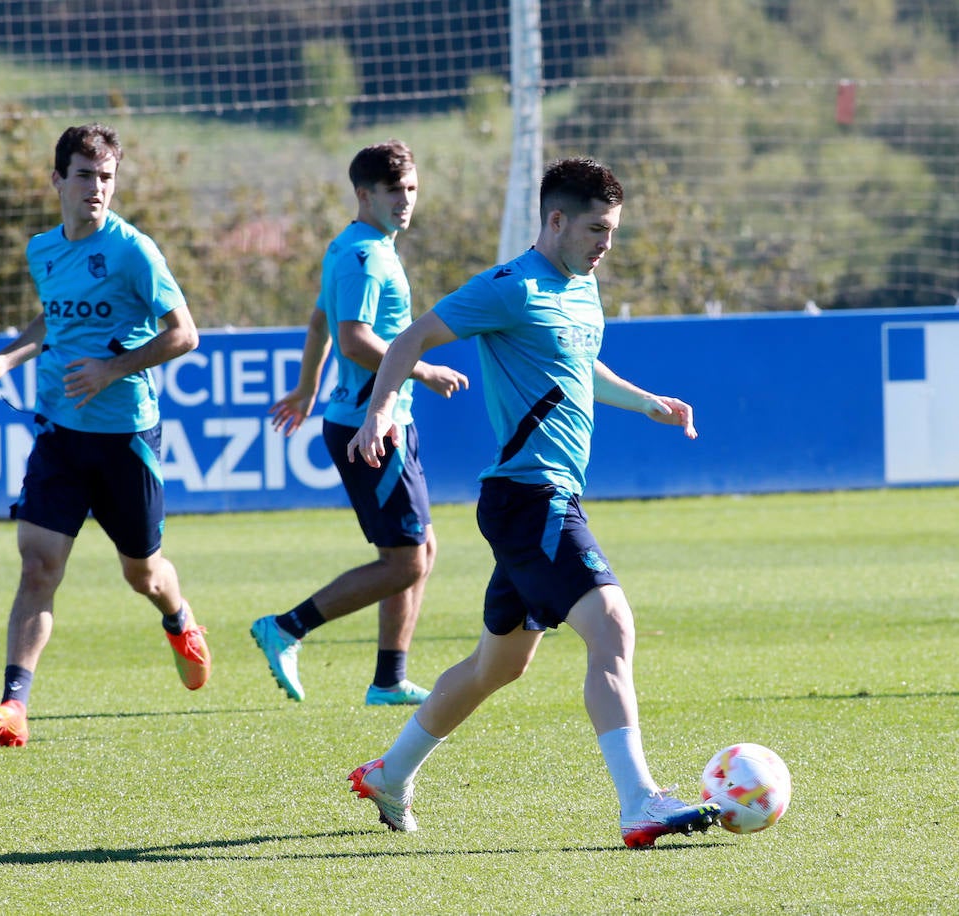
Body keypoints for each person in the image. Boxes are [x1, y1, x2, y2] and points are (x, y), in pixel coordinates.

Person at [343, 157, 720, 848]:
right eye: (596, 229)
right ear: (555, 220)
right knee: (611, 625)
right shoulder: (511, 287)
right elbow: (410, 338)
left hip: (547, 496)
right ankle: (639, 799)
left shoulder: (583, 286)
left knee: (499, 666)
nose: (606, 243)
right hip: (530, 498)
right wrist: (380, 413)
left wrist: (646, 404)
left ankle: (390, 773)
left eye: (612, 230)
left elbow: (580, 365)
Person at [0, 123, 210, 749]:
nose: (96, 188)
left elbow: (185, 334)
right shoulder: (42, 250)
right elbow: (53, 315)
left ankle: (179, 621)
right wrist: (6, 361)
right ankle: (15, 704)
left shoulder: (134, 253)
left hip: (125, 437)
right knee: (38, 566)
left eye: (106, 177)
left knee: (143, 574)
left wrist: (110, 370)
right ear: (57, 180)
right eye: (84, 175)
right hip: (59, 436)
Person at [254, 140, 467, 706]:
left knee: (420, 549)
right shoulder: (367, 256)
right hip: (369, 425)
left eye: (412, 189)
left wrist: (305, 387)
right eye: (394, 190)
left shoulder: (353, 247)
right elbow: (354, 336)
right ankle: (287, 627)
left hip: (384, 418)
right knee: (405, 561)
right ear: (364, 194)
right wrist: (423, 370)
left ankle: (390, 678)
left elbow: (322, 318)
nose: (405, 200)